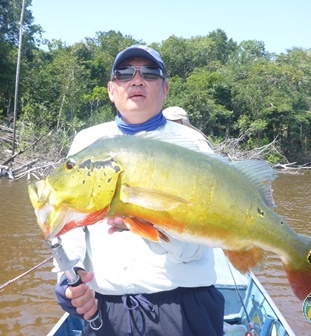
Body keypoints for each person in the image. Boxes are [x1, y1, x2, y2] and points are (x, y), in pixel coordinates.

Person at [54, 45, 224, 336]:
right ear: (111, 89)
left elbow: (202, 238)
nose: (136, 80)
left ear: (165, 88)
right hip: (106, 312)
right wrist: (70, 277)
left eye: (149, 72)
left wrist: (144, 222)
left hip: (184, 307)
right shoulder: (87, 142)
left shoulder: (193, 145)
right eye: (124, 74)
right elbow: (69, 220)